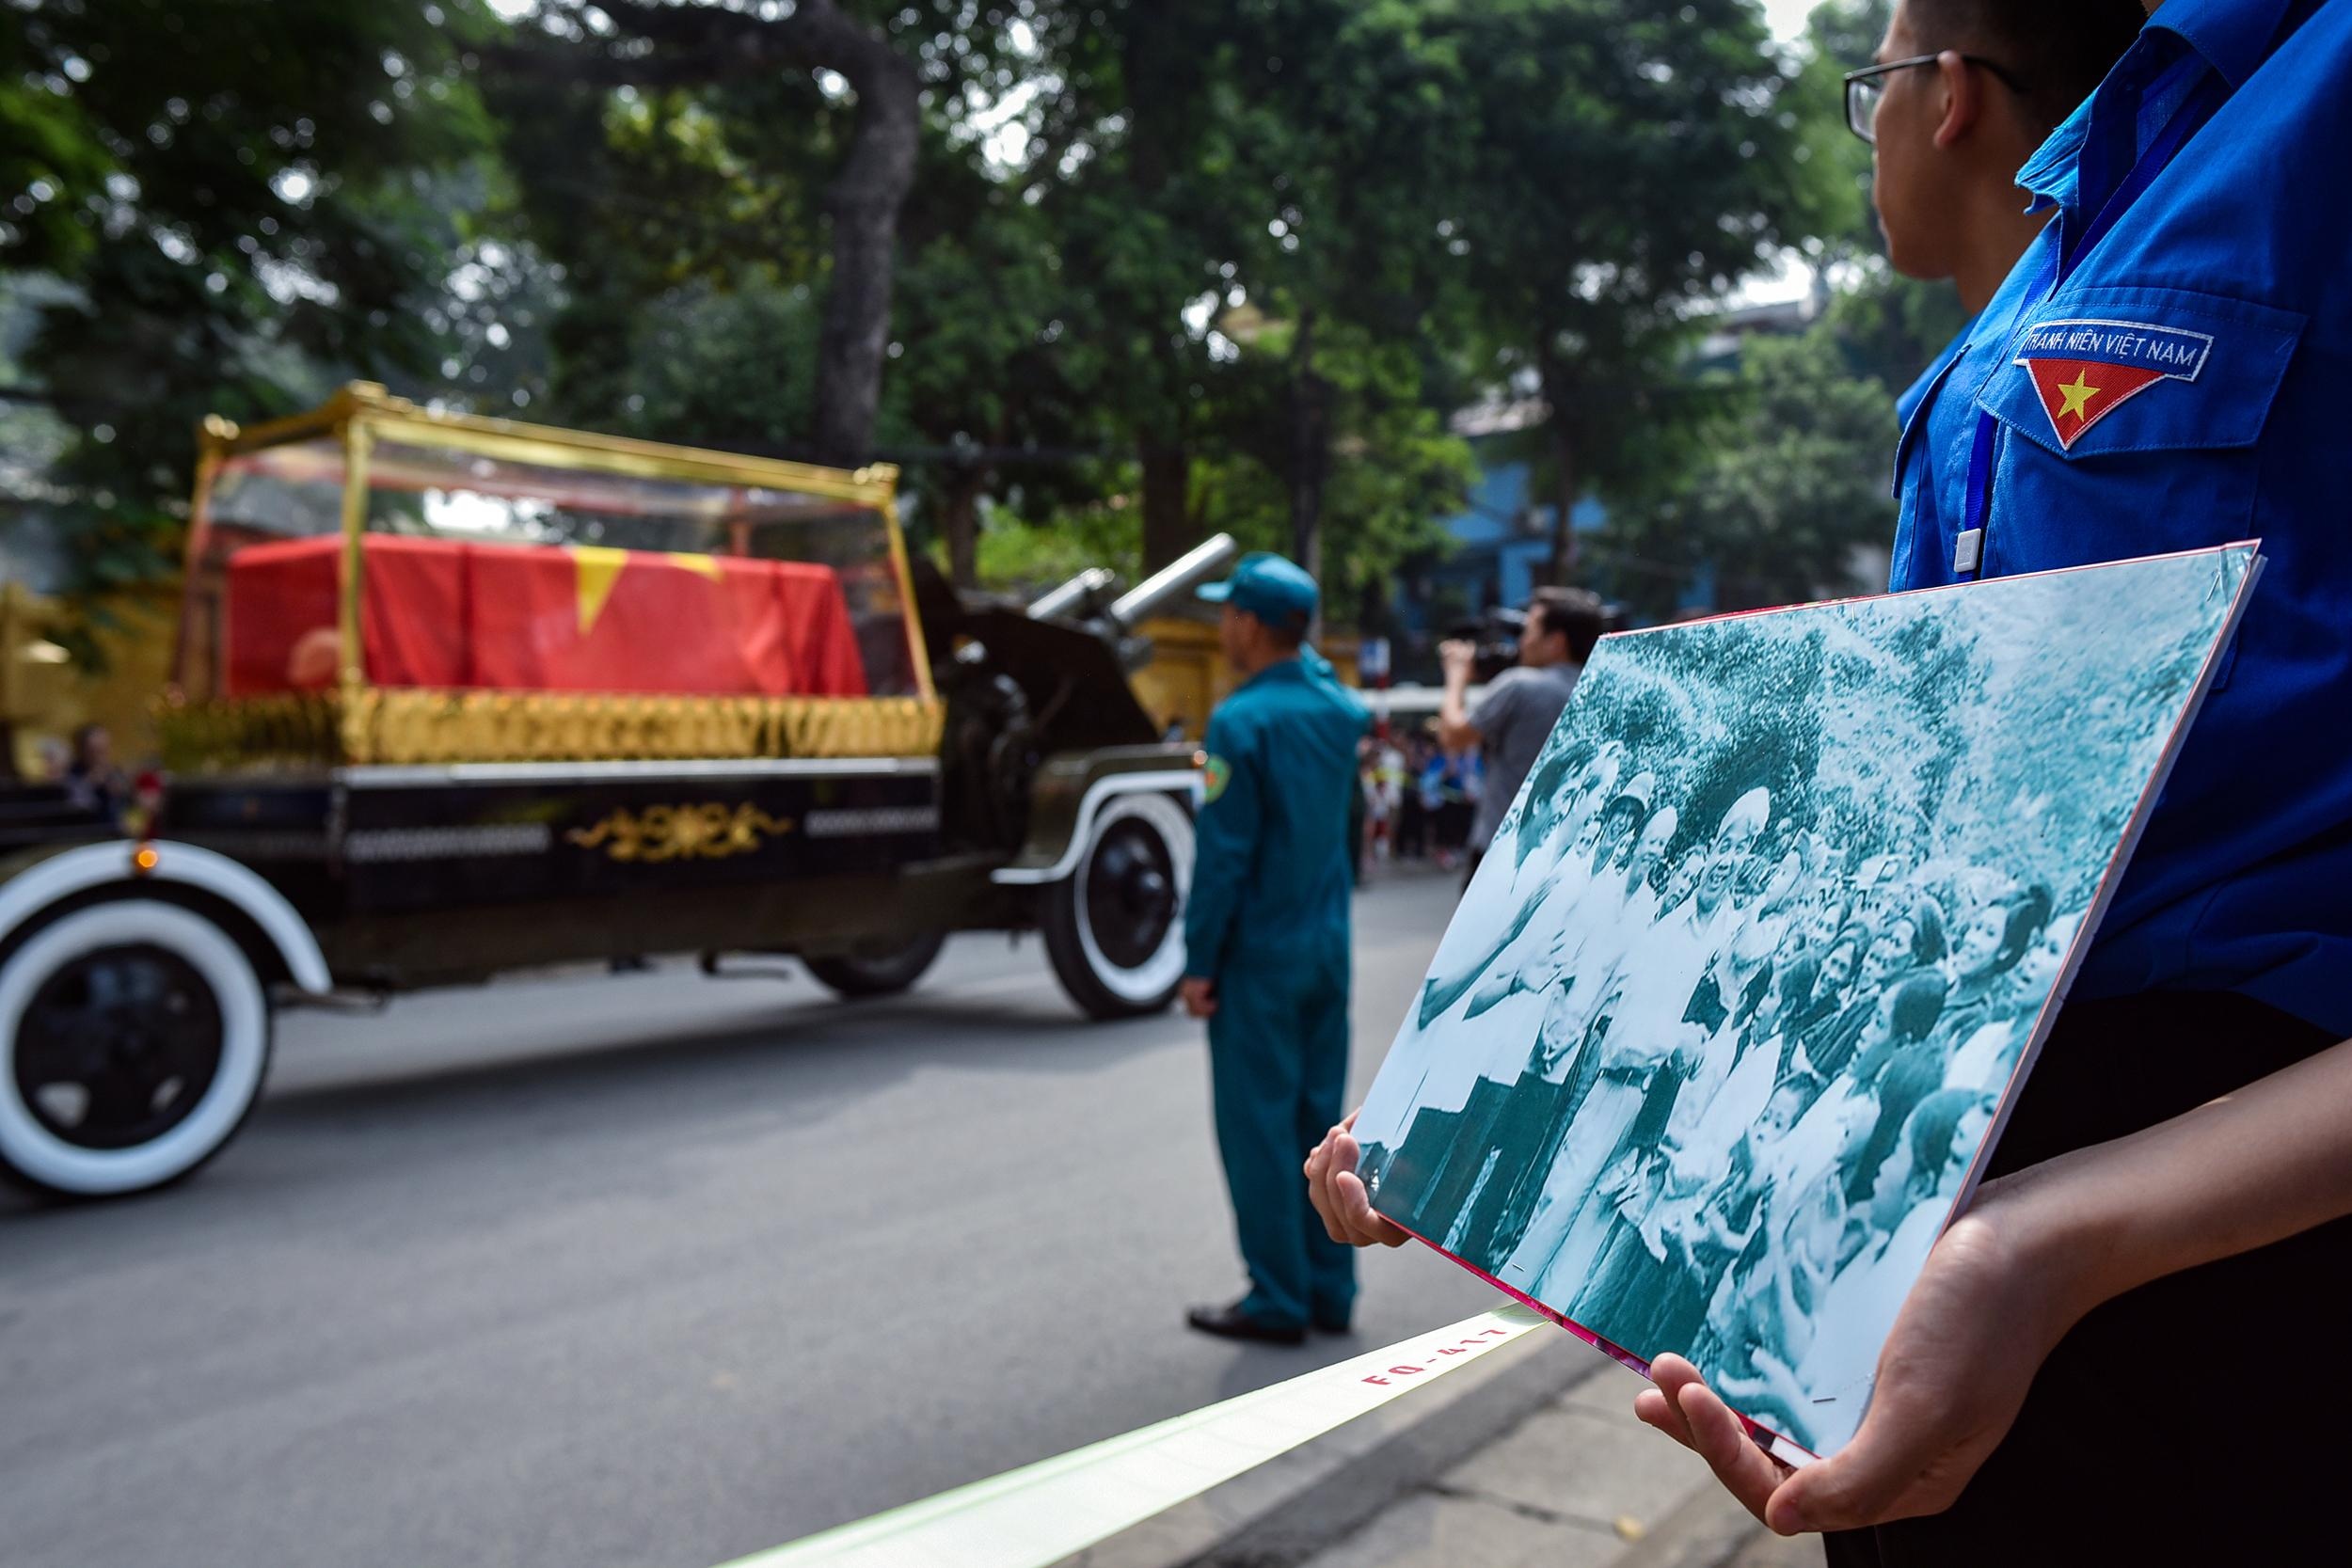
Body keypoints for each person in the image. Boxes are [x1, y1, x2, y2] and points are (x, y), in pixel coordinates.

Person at [1630, 3, 2352, 1560]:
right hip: (1964, 1203)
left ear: (1945, 95)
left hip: (2245, 1239)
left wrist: (2060, 1238)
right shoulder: (2084, 226)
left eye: (1868, 82)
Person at [1181, 551, 1369, 1347]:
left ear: (1249, 623)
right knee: (1319, 1125)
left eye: (1228, 613)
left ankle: (1277, 1297)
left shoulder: (1241, 720)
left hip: (1259, 955)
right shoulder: (1339, 709)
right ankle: (1331, 1286)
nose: (1222, 626)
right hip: (1327, 945)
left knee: (1258, 1130)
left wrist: (1198, 962)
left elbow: (1224, 856)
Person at [1437, 587, 1606, 886]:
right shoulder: (1601, 690)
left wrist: (1456, 676)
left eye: (1528, 631)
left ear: (1556, 642)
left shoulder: (1520, 687)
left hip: (1501, 851)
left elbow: (1453, 736)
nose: (1521, 642)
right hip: (1566, 858)